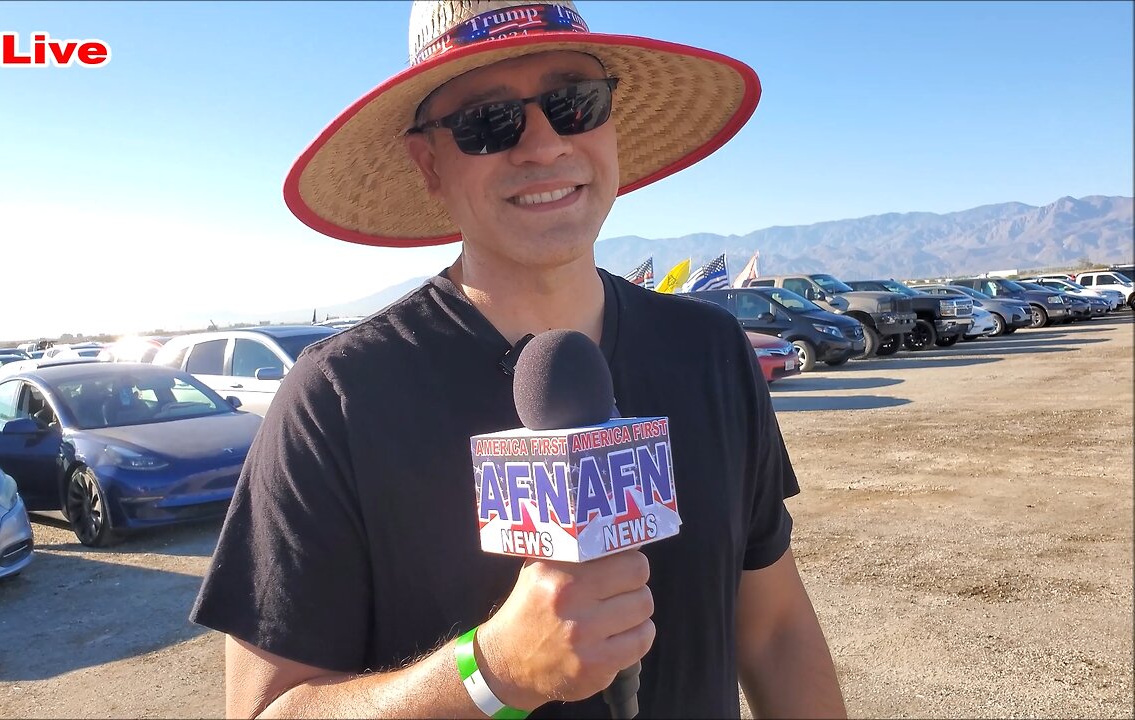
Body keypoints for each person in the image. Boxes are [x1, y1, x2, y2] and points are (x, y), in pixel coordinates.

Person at [191, 2, 846, 718]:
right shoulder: (337, 399)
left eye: (574, 103)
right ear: (428, 163)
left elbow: (776, 629)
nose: (542, 145)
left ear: (610, 123)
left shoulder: (711, 352)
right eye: (486, 121)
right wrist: (492, 670)